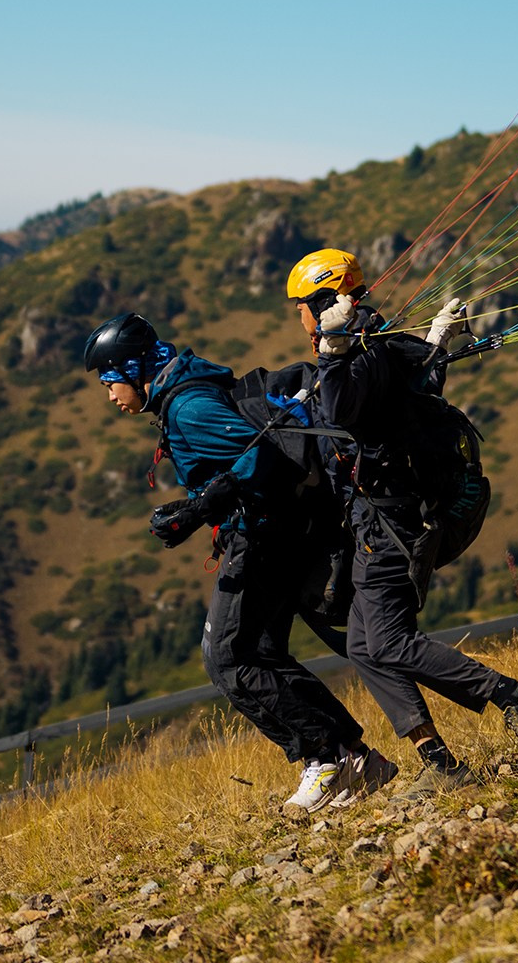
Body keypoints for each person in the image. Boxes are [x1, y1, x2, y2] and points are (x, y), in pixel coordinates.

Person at [84, 312, 395, 813]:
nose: (110, 396)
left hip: (263, 536)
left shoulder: (188, 406)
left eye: (110, 382)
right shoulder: (184, 392)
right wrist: (196, 509)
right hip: (274, 531)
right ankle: (355, 759)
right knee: (263, 653)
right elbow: (238, 465)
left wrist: (201, 509)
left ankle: (328, 757)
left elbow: (264, 460)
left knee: (228, 656)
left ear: (134, 369)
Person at [284, 248, 518, 796]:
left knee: (387, 642)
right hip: (383, 522)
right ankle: (439, 762)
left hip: (393, 527)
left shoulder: (360, 351)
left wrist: (334, 352)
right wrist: (434, 342)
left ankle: (515, 697)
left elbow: (339, 413)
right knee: (363, 645)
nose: (301, 321)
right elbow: (419, 385)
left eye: (301, 309)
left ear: (320, 303)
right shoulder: (379, 340)